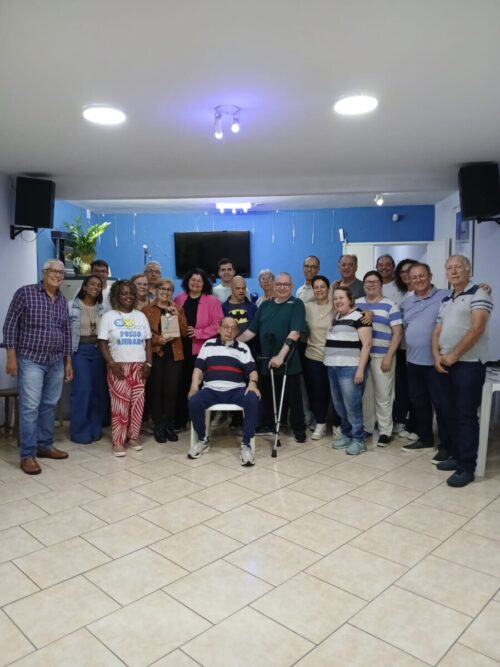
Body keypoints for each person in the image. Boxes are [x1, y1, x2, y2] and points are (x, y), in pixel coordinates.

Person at [2, 259, 72, 475]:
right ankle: (28, 455)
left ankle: (45, 445)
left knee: (49, 405)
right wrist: (11, 357)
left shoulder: (62, 300)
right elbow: (10, 325)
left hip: (56, 360)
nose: (57, 275)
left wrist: (68, 361)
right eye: (53, 271)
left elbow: (67, 332)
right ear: (44, 272)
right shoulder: (25, 293)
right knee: (30, 407)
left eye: (61, 273)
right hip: (31, 359)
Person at [431, 255, 493, 487]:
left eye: (458, 267)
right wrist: (437, 357)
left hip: (469, 364)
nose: (453, 271)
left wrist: (453, 355)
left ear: (468, 270)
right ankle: (456, 457)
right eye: (449, 268)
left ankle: (467, 467)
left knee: (466, 416)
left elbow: (477, 328)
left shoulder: (479, 294)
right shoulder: (446, 300)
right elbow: (437, 332)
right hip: (445, 364)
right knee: (450, 414)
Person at [239, 272, 307, 442]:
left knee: (293, 397)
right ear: (274, 285)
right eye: (279, 284)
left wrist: (280, 356)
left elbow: (295, 333)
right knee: (268, 396)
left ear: (291, 286)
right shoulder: (265, 305)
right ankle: (269, 424)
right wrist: (232, 341)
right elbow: (251, 331)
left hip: (288, 360)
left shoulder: (296, 304)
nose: (282, 287)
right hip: (265, 360)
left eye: (286, 284)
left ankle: (299, 428)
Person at [188, 317, 260, 466]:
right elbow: (198, 368)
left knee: (253, 399)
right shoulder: (208, 345)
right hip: (211, 389)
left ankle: (246, 445)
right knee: (194, 401)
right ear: (219, 329)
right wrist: (194, 386)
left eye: (233, 328)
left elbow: (252, 370)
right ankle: (203, 440)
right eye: (226, 327)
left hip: (236, 390)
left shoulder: (243, 348)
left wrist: (253, 383)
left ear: (237, 331)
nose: (229, 331)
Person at [400, 263, 453, 457]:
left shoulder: (446, 295)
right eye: (414, 277)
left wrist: (483, 289)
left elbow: (468, 297)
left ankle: (447, 446)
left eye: (422, 276)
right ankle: (425, 440)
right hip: (413, 362)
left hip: (436, 363)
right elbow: (404, 327)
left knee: (442, 405)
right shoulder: (407, 302)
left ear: (430, 276)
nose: (418, 280)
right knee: (419, 403)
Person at [98, 280, 152, 456]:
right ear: (116, 296)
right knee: (120, 406)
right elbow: (102, 343)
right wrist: (111, 363)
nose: (128, 296)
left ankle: (133, 437)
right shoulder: (108, 317)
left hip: (139, 367)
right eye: (124, 293)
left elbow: (148, 342)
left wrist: (148, 364)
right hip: (118, 366)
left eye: (131, 293)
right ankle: (118, 441)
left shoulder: (141, 316)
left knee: (137, 405)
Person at [356, 270, 402, 446]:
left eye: (375, 282)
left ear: (381, 284)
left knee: (383, 396)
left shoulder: (390, 305)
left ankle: (385, 431)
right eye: (368, 282)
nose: (371, 284)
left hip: (382, 357)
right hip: (363, 357)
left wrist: (389, 356)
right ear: (363, 285)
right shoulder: (357, 303)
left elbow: (398, 334)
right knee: (366, 396)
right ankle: (367, 428)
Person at [324, 287, 372, 455]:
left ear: (350, 299)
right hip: (333, 367)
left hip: (350, 368)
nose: (338, 301)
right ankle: (346, 434)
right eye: (335, 298)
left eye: (341, 298)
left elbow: (367, 345)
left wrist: (360, 370)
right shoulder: (337, 317)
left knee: (352, 407)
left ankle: (359, 439)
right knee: (340, 406)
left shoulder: (360, 317)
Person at [174, 268, 224, 429]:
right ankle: (180, 421)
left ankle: (200, 422)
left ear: (204, 284)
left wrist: (198, 332)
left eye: (199, 280)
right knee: (181, 384)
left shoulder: (212, 301)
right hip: (180, 349)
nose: (195, 283)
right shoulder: (179, 298)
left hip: (202, 350)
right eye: (193, 279)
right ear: (187, 281)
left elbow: (218, 325)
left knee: (200, 385)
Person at [142, 279, 188, 443]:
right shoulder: (147, 309)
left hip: (174, 355)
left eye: (169, 289)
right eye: (162, 288)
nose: (165, 292)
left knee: (171, 391)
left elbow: (184, 332)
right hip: (155, 353)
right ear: (155, 290)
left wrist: (177, 316)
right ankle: (158, 426)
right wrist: (157, 340)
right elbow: (143, 334)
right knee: (156, 391)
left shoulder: (178, 308)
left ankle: (169, 424)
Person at [68, 274, 107, 444]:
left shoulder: (103, 309)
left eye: (98, 285)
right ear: (84, 287)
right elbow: (66, 333)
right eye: (91, 284)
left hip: (98, 351)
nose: (95, 287)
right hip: (79, 351)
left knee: (98, 392)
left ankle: (95, 427)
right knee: (82, 390)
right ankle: (79, 431)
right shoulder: (71, 306)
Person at [304, 275, 340, 440]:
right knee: (317, 392)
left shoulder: (336, 305)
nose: (319, 290)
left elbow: (354, 309)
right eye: (316, 287)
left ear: (328, 288)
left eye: (322, 286)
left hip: (334, 357)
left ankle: (338, 425)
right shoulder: (307, 307)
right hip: (313, 356)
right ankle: (320, 423)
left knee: (336, 393)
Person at [391, 258, 419, 439]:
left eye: (409, 271)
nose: (406, 275)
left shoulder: (426, 295)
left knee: (416, 390)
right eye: (402, 272)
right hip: (401, 349)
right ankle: (402, 420)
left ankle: (416, 425)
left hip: (417, 351)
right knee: (402, 388)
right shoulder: (402, 297)